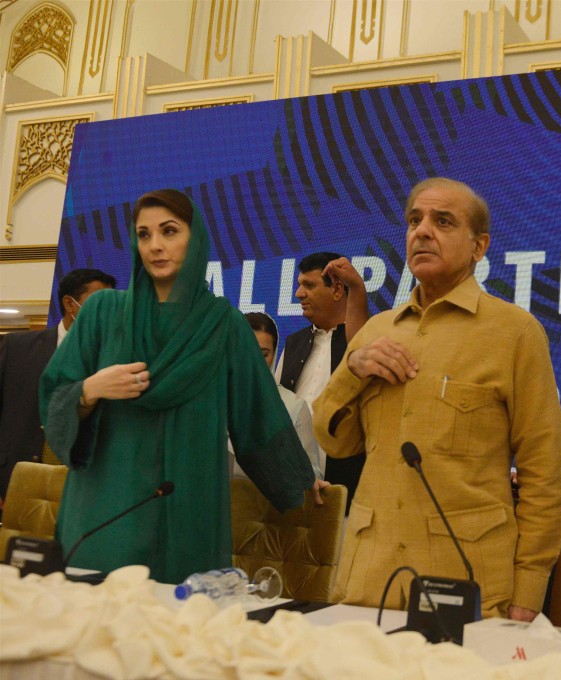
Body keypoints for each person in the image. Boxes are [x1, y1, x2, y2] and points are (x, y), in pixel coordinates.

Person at [313, 177, 561, 620]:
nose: (422, 231)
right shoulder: (377, 331)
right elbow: (336, 443)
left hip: (463, 582)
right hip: (367, 578)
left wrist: (528, 591)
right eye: (414, 220)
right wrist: (352, 373)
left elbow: (544, 472)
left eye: (443, 221)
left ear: (478, 246)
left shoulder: (515, 333)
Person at [40, 189, 317, 583]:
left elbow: (258, 417)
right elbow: (54, 396)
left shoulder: (223, 326)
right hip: (104, 510)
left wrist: (302, 481)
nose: (155, 246)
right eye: (144, 234)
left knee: (176, 632)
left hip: (187, 508)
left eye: (169, 231)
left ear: (196, 236)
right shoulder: (102, 314)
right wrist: (90, 389)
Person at [0, 268, 115, 505]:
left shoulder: (112, 358)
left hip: (84, 486)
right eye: (96, 304)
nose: (105, 313)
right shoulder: (16, 348)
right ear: (70, 304)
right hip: (16, 480)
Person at [276, 252, 369, 507]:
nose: (298, 294)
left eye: (309, 285)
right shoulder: (293, 344)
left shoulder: (365, 341)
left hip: (349, 491)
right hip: (293, 487)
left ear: (338, 290)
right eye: (298, 285)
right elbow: (277, 410)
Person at [234, 311, 321, 480]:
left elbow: (312, 476)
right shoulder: (212, 399)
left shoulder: (293, 406)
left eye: (264, 353)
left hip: (267, 505)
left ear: (274, 355)